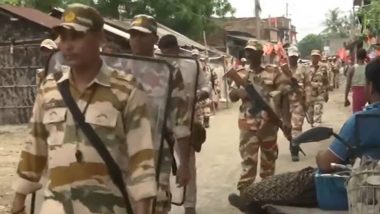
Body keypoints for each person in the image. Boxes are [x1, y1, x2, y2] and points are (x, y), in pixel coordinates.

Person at [11, 4, 156, 214]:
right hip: (55, 207)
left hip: (109, 207)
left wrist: (143, 208)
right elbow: (34, 148)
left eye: (77, 36)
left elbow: (141, 159)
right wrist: (18, 200)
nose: (67, 45)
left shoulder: (127, 90)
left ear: (100, 38)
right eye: (64, 37)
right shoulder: (50, 88)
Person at [229, 56, 380, 214]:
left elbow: (326, 164)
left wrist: (321, 155)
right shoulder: (252, 73)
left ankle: (255, 205)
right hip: (363, 184)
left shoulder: (361, 121)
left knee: (258, 190)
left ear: (369, 87)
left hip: (346, 188)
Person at [128, 15, 191, 214]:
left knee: (157, 206)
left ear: (155, 39)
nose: (136, 40)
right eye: (133, 35)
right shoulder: (118, 71)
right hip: (122, 154)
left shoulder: (169, 73)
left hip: (157, 155)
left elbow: (180, 121)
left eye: (142, 35)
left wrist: (184, 165)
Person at [228, 39, 291, 192]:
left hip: (269, 125)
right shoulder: (240, 73)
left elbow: (284, 96)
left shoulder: (274, 72)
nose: (248, 54)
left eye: (252, 52)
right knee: (248, 162)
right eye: (247, 51)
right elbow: (232, 96)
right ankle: (245, 195)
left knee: (268, 163)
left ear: (261, 54)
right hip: (248, 126)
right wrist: (239, 92)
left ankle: (266, 194)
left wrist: (287, 120)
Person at [158, 34, 210, 214]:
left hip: (186, 119)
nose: (166, 54)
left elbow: (206, 87)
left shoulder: (192, 64)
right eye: (163, 52)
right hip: (160, 121)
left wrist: (199, 94)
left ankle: (189, 206)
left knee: (187, 165)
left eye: (169, 51)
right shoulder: (156, 63)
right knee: (159, 165)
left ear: (176, 48)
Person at [283, 47, 307, 162]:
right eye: (291, 56)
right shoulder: (281, 70)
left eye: (294, 57)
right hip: (284, 103)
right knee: (286, 127)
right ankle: (291, 142)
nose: (292, 59)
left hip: (298, 102)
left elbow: (307, 85)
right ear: (287, 56)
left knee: (296, 128)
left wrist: (306, 100)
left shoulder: (303, 69)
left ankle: (294, 150)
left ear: (297, 57)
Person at [305, 50, 329, 127]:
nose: (315, 58)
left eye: (317, 56)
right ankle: (312, 124)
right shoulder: (306, 66)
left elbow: (326, 80)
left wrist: (326, 92)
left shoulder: (324, 67)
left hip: (319, 92)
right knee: (310, 113)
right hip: (309, 93)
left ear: (319, 57)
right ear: (311, 57)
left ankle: (316, 128)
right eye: (313, 56)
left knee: (318, 111)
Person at [345, 49, 368, 113]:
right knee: (366, 113)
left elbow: (348, 84)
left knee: (357, 113)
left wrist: (346, 98)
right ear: (365, 56)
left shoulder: (352, 68)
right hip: (367, 94)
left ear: (357, 56)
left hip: (356, 94)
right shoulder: (368, 67)